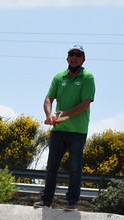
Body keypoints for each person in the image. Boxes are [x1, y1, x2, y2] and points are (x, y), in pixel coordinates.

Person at [36, 45, 95, 211]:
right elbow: (48, 98)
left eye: (78, 55)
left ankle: (72, 202)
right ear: (67, 58)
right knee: (52, 166)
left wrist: (64, 115)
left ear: (83, 59)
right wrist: (49, 115)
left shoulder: (87, 77)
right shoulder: (58, 77)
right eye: (71, 54)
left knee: (75, 167)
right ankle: (46, 200)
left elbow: (85, 104)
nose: (74, 57)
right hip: (58, 130)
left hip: (77, 131)